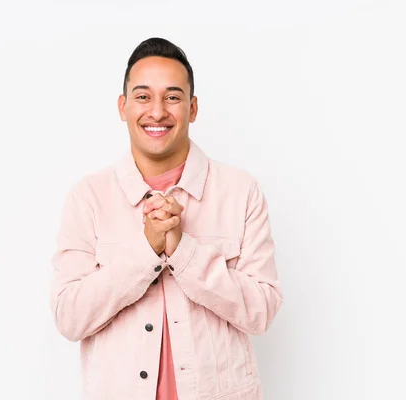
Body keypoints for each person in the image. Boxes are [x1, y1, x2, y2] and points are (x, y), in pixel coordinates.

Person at [49, 37, 283, 400]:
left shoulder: (241, 192)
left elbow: (262, 311)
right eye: (143, 97)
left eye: (172, 97)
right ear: (123, 106)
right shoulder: (89, 197)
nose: (157, 112)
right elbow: (70, 317)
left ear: (192, 108)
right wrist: (145, 251)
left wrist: (184, 251)